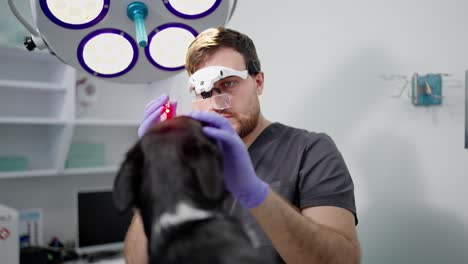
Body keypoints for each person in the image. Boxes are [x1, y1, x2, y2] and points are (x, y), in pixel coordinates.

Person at [125, 27, 360, 264]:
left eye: (228, 83)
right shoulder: (189, 163)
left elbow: (342, 261)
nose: (216, 103)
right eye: (204, 91)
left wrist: (256, 194)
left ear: (258, 82)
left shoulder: (310, 150)